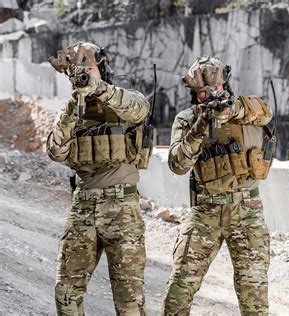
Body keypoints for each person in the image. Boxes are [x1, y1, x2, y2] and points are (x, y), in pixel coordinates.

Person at [162, 56, 275, 315]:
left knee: (254, 298)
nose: (208, 96)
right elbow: (177, 164)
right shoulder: (187, 119)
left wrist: (229, 110)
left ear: (225, 86)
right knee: (179, 291)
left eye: (215, 90)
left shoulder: (245, 109)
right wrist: (201, 126)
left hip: (246, 213)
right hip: (205, 213)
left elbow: (265, 112)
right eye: (201, 93)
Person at [47, 42, 151, 315]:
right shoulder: (72, 109)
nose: (84, 73)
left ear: (101, 68)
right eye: (79, 69)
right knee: (66, 292)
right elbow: (56, 151)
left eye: (89, 67)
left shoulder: (125, 99)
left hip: (122, 209)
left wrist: (95, 87)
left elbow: (139, 109)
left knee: (129, 300)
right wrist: (75, 100)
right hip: (83, 207)